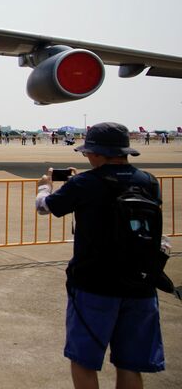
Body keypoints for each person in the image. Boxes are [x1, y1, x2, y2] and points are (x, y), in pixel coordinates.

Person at [34, 122, 164, 388]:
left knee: (84, 360)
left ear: (96, 153)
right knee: (130, 365)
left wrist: (44, 186)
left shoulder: (85, 183)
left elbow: (45, 207)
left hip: (95, 284)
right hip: (141, 285)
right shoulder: (148, 181)